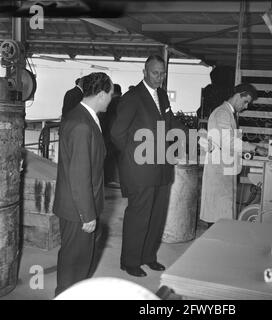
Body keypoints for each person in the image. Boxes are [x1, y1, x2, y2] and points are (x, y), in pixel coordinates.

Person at [111, 55, 187, 277]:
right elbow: (117, 133)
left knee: (156, 215)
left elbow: (170, 122)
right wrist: (133, 158)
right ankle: (130, 261)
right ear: (144, 72)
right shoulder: (132, 97)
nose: (160, 77)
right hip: (141, 169)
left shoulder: (162, 96)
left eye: (162, 73)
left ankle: (148, 257)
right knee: (139, 216)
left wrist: (193, 134)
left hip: (162, 167)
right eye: (155, 73)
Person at [53, 72, 114, 296]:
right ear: (100, 95)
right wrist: (87, 214)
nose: (111, 99)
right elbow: (79, 175)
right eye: (110, 95)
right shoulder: (81, 124)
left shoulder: (82, 116)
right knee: (74, 265)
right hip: (77, 209)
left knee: (80, 262)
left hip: (76, 205)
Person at [199, 83, 267, 225]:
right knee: (218, 218)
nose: (246, 106)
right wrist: (254, 148)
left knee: (221, 216)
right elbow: (228, 142)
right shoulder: (222, 113)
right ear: (238, 95)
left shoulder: (228, 113)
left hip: (224, 169)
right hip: (219, 172)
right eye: (245, 101)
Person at [99, 83, 122, 186]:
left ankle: (109, 180)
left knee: (108, 159)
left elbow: (104, 119)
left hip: (109, 136)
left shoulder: (110, 103)